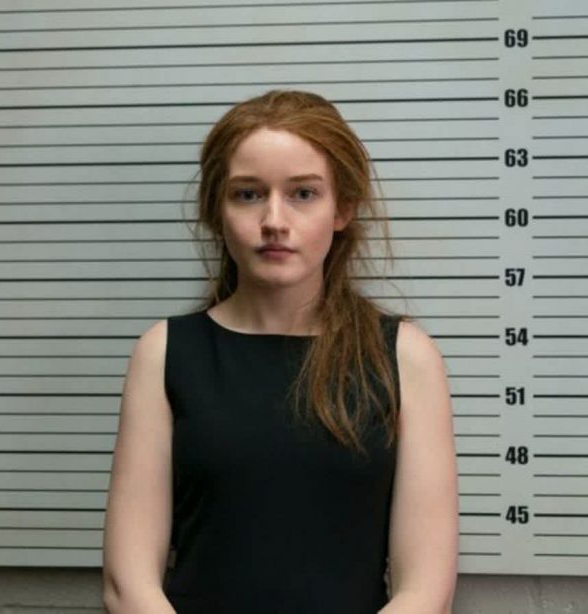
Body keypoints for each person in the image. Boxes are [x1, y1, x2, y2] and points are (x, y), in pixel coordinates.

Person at [101, 90, 458, 613]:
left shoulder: (405, 357)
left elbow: (426, 591)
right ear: (217, 210)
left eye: (303, 193)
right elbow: (127, 584)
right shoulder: (164, 353)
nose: (273, 219)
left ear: (343, 208)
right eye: (247, 194)